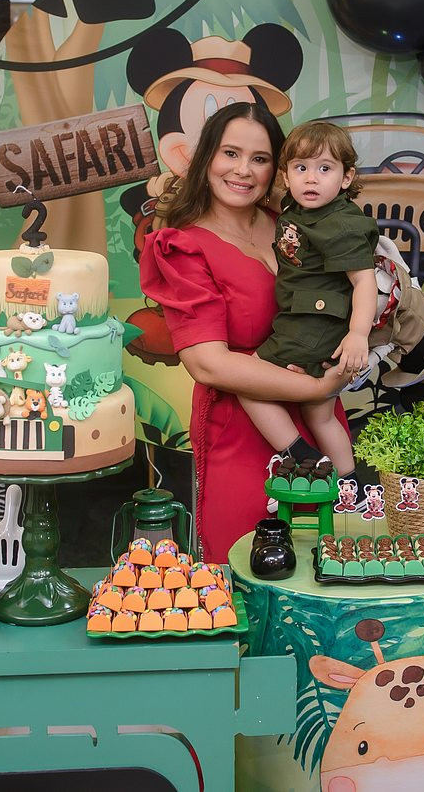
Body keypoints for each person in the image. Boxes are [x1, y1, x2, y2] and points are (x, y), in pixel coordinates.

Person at [138, 102, 349, 561]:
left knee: (330, 560)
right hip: (242, 426)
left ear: (278, 168)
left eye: (260, 158)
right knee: (249, 562)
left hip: (319, 413)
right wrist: (318, 386)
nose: (243, 170)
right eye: (230, 153)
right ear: (206, 157)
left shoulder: (294, 225)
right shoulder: (184, 245)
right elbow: (208, 364)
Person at [239, 121, 379, 479]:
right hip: (311, 323)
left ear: (347, 178)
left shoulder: (341, 226)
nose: (311, 179)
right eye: (301, 168)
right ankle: (349, 486)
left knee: (245, 381)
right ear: (286, 176)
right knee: (320, 413)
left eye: (325, 169)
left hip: (311, 326)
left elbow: (364, 281)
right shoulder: (300, 206)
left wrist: (358, 334)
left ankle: (303, 458)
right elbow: (274, 196)